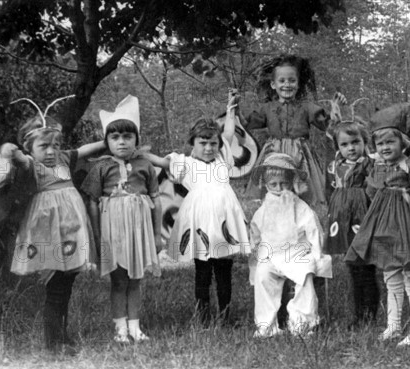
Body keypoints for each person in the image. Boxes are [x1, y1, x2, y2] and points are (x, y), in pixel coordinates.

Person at [2, 101, 105, 354]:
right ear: (30, 148)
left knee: (66, 285)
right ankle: (53, 345)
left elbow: (83, 150)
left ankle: (63, 337)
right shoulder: (31, 164)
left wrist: (106, 142)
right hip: (50, 234)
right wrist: (9, 149)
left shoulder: (63, 159)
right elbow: (16, 155)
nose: (50, 151)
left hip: (71, 231)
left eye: (55, 145)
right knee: (55, 288)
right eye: (43, 146)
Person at [143, 91, 250, 325]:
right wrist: (136, 152)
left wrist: (230, 110)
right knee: (202, 271)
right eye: (203, 143)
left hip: (223, 222)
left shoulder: (223, 158)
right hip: (200, 221)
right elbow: (160, 162)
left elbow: (229, 133)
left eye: (213, 143)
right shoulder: (186, 164)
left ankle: (225, 316)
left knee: (224, 271)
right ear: (192, 143)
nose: (209, 148)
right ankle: (202, 317)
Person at [82, 95, 163, 343]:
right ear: (106, 141)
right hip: (112, 230)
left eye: (128, 137)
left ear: (137, 139)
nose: (122, 142)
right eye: (115, 137)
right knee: (118, 279)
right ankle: (120, 328)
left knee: (135, 278)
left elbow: (156, 200)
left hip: (138, 229)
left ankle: (135, 327)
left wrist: (157, 234)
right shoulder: (101, 166)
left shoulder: (144, 164)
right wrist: (97, 236)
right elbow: (93, 203)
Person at [345, 119, 410, 347]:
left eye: (390, 142)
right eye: (380, 143)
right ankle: (393, 326)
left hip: (405, 227)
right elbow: (373, 192)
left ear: (402, 142)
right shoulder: (379, 167)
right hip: (384, 228)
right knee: (391, 277)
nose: (385, 147)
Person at [241, 54, 345, 206]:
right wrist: (234, 110)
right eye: (281, 81)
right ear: (273, 84)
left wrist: (335, 110)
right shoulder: (267, 108)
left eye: (292, 80)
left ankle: (300, 210)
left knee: (301, 190)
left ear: (298, 84)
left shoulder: (307, 107)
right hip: (274, 152)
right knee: (275, 186)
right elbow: (247, 123)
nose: (287, 85)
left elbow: (327, 125)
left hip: (300, 152)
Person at [249, 153, 332, 338]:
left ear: (291, 182)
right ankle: (266, 326)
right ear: (266, 185)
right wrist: (256, 249)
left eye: (284, 184)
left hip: (297, 253)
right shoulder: (263, 210)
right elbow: (255, 232)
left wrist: (317, 254)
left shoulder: (300, 207)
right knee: (263, 275)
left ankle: (301, 323)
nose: (279, 189)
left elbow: (314, 230)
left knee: (304, 275)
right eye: (273, 185)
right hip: (271, 254)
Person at [325, 120, 380, 328]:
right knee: (353, 268)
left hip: (363, 218)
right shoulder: (335, 167)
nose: (351, 148)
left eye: (355, 142)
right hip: (343, 220)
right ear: (338, 148)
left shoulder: (370, 164)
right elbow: (330, 191)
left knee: (366, 267)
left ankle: (370, 316)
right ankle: (358, 316)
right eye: (344, 144)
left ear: (364, 142)